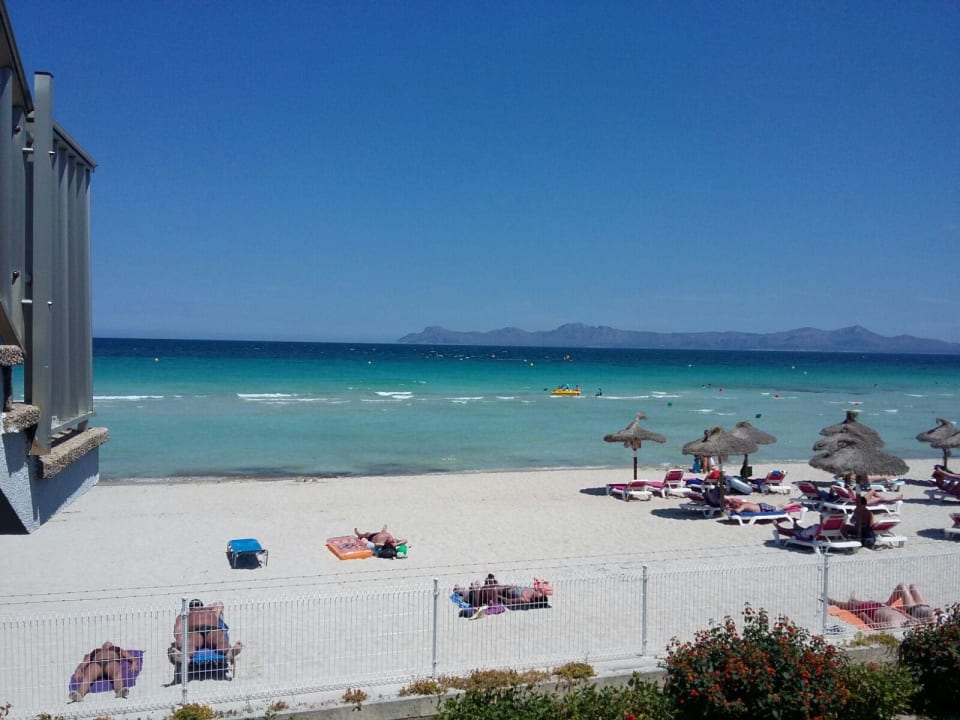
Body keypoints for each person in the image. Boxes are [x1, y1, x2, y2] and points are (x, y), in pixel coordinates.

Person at [830, 584, 940, 629]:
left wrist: (863, 616)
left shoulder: (893, 625)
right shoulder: (912, 622)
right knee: (868, 601)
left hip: (874, 611)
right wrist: (898, 610)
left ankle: (834, 602)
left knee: (852, 606)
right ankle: (852, 600)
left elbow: (874, 625)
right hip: (885, 608)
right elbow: (910, 617)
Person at [171, 599, 242, 664]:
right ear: (190, 608)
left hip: (212, 630)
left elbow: (220, 604)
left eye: (198, 605)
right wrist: (180, 644)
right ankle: (185, 657)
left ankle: (230, 654)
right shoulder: (186, 614)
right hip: (196, 632)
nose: (197, 606)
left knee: (221, 641)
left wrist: (206, 608)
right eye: (195, 605)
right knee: (190, 645)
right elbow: (179, 629)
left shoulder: (211, 611)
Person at [69, 641, 139, 702]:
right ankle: (79, 695)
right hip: (96, 663)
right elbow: (84, 662)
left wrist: (134, 662)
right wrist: (78, 670)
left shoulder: (116, 649)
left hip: (111, 662)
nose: (107, 643)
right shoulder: (96, 651)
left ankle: (119, 691)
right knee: (87, 677)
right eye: (105, 643)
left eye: (109, 643)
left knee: (117, 674)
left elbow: (129, 656)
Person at [724, 497, 796, 514]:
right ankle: (790, 504)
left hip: (763, 508)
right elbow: (733, 500)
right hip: (761, 505)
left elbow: (737, 511)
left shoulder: (742, 506)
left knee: (779, 508)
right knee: (778, 507)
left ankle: (793, 504)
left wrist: (730, 509)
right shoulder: (743, 503)